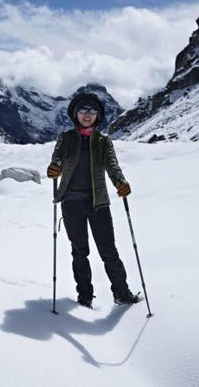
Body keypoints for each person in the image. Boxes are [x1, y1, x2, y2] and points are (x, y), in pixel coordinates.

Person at [47, 92, 140, 308]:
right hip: (71, 203)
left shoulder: (103, 142)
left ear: (97, 115)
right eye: (83, 110)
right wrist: (55, 167)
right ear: (75, 114)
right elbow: (57, 158)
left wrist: (120, 182)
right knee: (79, 251)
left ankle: (122, 293)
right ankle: (85, 297)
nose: (87, 115)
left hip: (98, 203)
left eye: (92, 111)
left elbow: (112, 165)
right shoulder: (66, 138)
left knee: (108, 250)